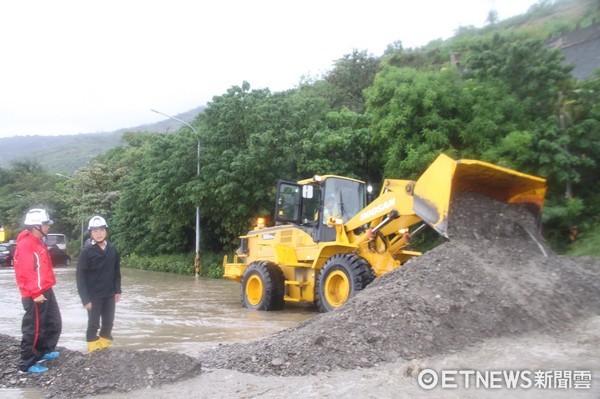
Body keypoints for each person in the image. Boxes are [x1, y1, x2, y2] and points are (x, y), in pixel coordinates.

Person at [13, 208, 62, 373]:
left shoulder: (37, 241)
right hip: (35, 293)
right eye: (46, 224)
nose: (48, 227)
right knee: (33, 329)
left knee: (53, 322)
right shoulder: (26, 245)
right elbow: (25, 273)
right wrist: (35, 293)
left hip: (45, 289)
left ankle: (44, 351)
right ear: (36, 226)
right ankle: (26, 364)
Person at [76, 216, 122, 352]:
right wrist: (85, 299)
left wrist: (117, 290)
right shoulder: (86, 251)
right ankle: (93, 351)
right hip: (93, 296)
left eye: (101, 230)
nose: (98, 233)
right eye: (95, 231)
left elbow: (116, 272)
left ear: (106, 231)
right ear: (91, 233)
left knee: (108, 323)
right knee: (93, 324)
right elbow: (80, 277)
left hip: (109, 294)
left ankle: (103, 348)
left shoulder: (112, 249)